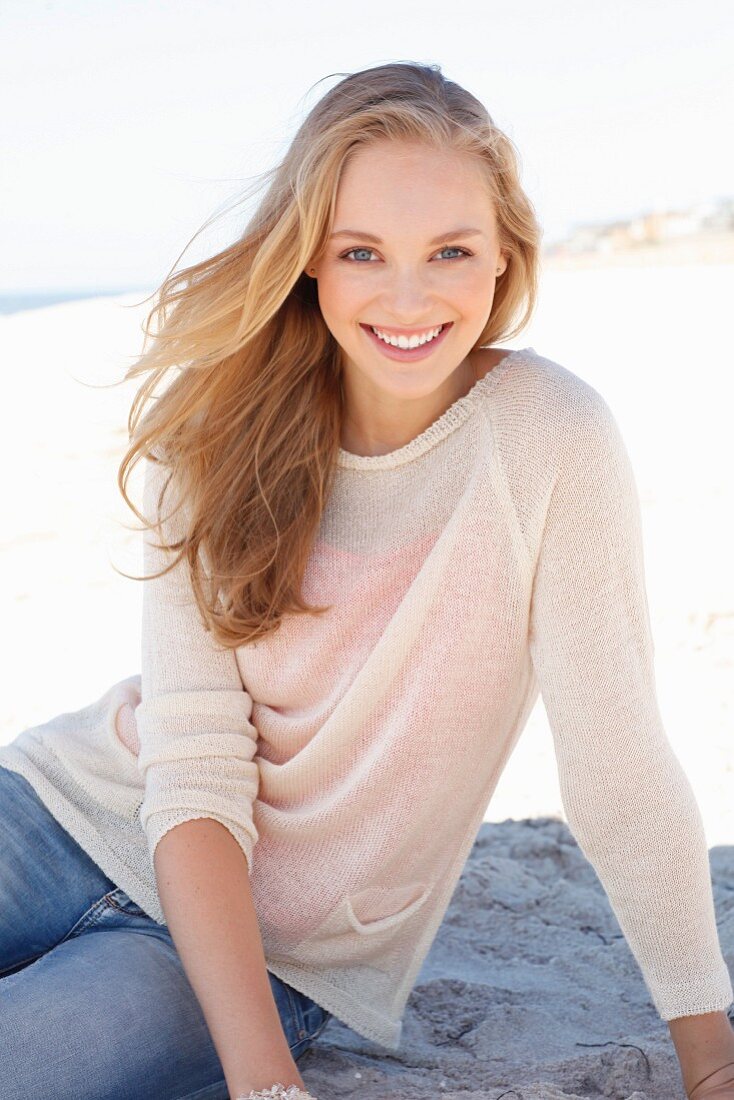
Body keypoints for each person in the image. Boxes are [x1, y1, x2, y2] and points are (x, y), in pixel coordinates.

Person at [1, 60, 733, 1100]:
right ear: (311, 261)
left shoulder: (549, 439)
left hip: (271, 951)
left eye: (447, 251)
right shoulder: (217, 432)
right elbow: (196, 771)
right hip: (65, 806)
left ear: (502, 259)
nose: (405, 295)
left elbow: (614, 756)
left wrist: (708, 1054)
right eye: (360, 251)